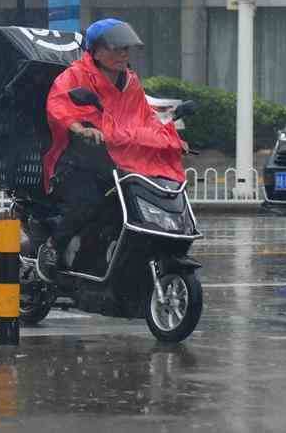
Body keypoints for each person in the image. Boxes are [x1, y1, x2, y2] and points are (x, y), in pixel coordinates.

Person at [36, 18, 188, 283]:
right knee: (89, 203)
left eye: (126, 49)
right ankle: (52, 247)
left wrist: (170, 138)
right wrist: (80, 128)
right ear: (95, 51)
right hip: (78, 161)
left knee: (132, 208)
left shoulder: (130, 82)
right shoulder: (76, 75)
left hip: (120, 161)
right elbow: (58, 105)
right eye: (116, 48)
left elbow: (145, 118)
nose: (123, 54)